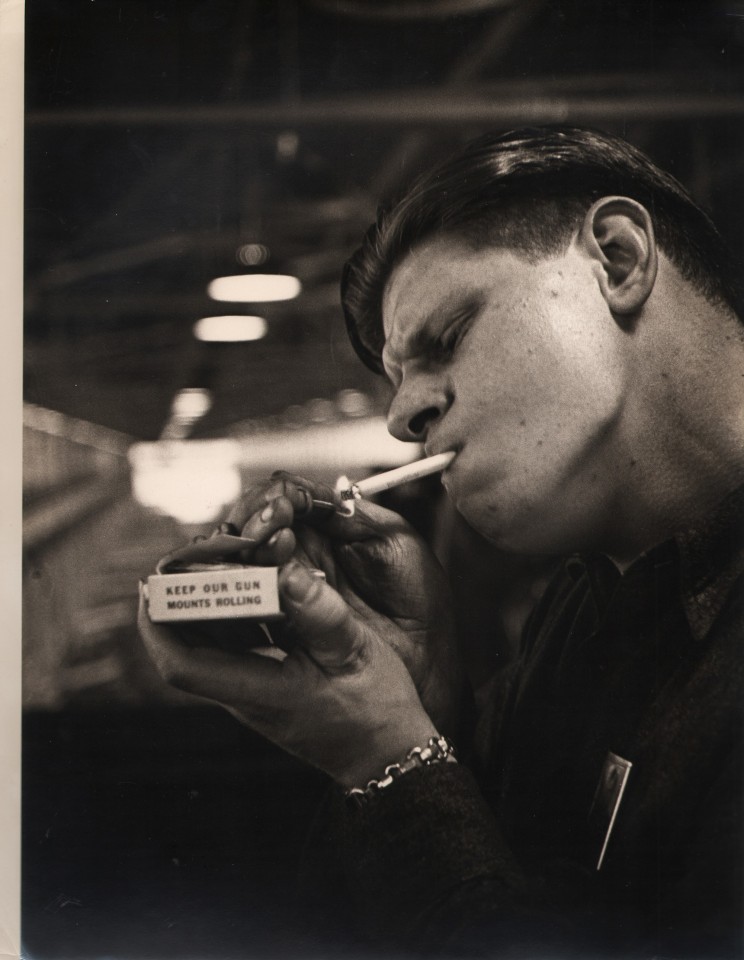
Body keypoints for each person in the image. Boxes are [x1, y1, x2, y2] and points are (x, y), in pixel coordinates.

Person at [138, 126, 744, 958]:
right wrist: (431, 708)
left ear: (616, 256)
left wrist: (390, 764)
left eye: (448, 336)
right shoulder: (587, 601)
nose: (400, 418)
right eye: (393, 379)